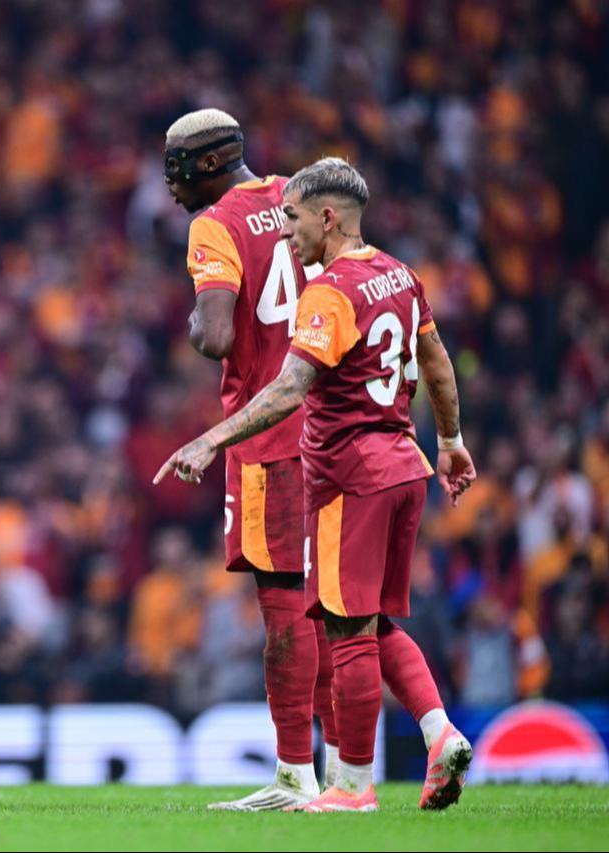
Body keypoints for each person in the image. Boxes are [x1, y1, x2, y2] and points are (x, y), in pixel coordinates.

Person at [155, 157, 476, 813]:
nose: (287, 231)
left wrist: (213, 438)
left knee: (346, 628)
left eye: (295, 219)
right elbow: (437, 363)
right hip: (405, 464)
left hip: (349, 471)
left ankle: (351, 785)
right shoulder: (400, 274)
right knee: (370, 619)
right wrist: (449, 441)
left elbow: (289, 388)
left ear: (328, 217)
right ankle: (437, 729)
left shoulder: (329, 292)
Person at [162, 108, 335, 810]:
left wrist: (191, 318)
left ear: (207, 165)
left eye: (176, 168)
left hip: (266, 440)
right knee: (343, 607)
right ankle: (361, 766)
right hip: (334, 427)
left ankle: (297, 773)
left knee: (285, 612)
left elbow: (214, 335)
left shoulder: (214, 225)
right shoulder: (297, 194)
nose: (169, 185)